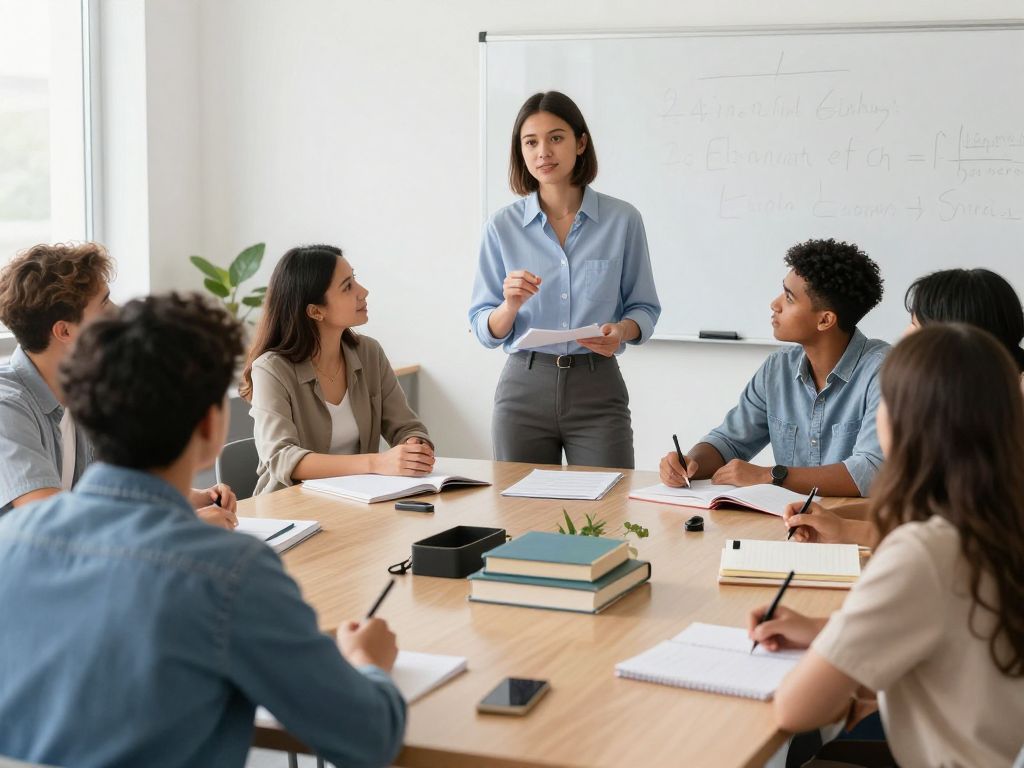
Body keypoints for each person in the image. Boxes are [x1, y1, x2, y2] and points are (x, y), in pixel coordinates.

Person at [0, 293, 406, 767]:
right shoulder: (230, 572)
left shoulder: (12, 544)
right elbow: (369, 737)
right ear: (213, 427)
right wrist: (367, 662)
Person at [748, 324, 1024, 767]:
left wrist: (835, 641)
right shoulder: (998, 521)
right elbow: (946, 633)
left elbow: (797, 710)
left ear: (904, 422)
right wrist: (827, 631)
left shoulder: (924, 551)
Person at [468, 91, 661, 469]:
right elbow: (482, 327)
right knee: (520, 516)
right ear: (520, 152)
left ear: (581, 143)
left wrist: (621, 331)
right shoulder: (501, 227)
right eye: (531, 142)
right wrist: (509, 306)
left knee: (606, 514)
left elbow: (645, 308)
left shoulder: (623, 220)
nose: (544, 151)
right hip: (524, 387)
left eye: (556, 138)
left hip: (597, 386)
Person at [0, 243, 237, 526]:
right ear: (64, 330)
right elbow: (55, 523)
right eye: (104, 303)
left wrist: (193, 497)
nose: (117, 311)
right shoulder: (7, 406)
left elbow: (115, 491)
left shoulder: (85, 385)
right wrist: (182, 527)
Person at [785, 266, 1024, 546]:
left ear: (956, 338)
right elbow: (922, 509)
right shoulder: (972, 394)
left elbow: (965, 537)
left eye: (916, 325)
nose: (903, 338)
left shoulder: (1005, 410)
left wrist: (846, 530)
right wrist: (833, 516)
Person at [660, 238, 886, 497]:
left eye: (789, 298)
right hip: (789, 521)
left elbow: (870, 472)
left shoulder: (884, 372)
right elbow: (729, 441)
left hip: (853, 523)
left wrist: (769, 475)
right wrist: (689, 463)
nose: (774, 304)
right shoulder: (778, 368)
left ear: (825, 320)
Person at [241, 244, 433, 495]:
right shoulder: (271, 369)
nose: (363, 292)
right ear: (315, 311)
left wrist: (413, 447)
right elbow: (282, 457)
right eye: (347, 287)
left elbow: (407, 427)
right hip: (291, 510)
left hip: (361, 502)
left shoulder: (369, 353)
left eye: (355, 279)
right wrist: (376, 463)